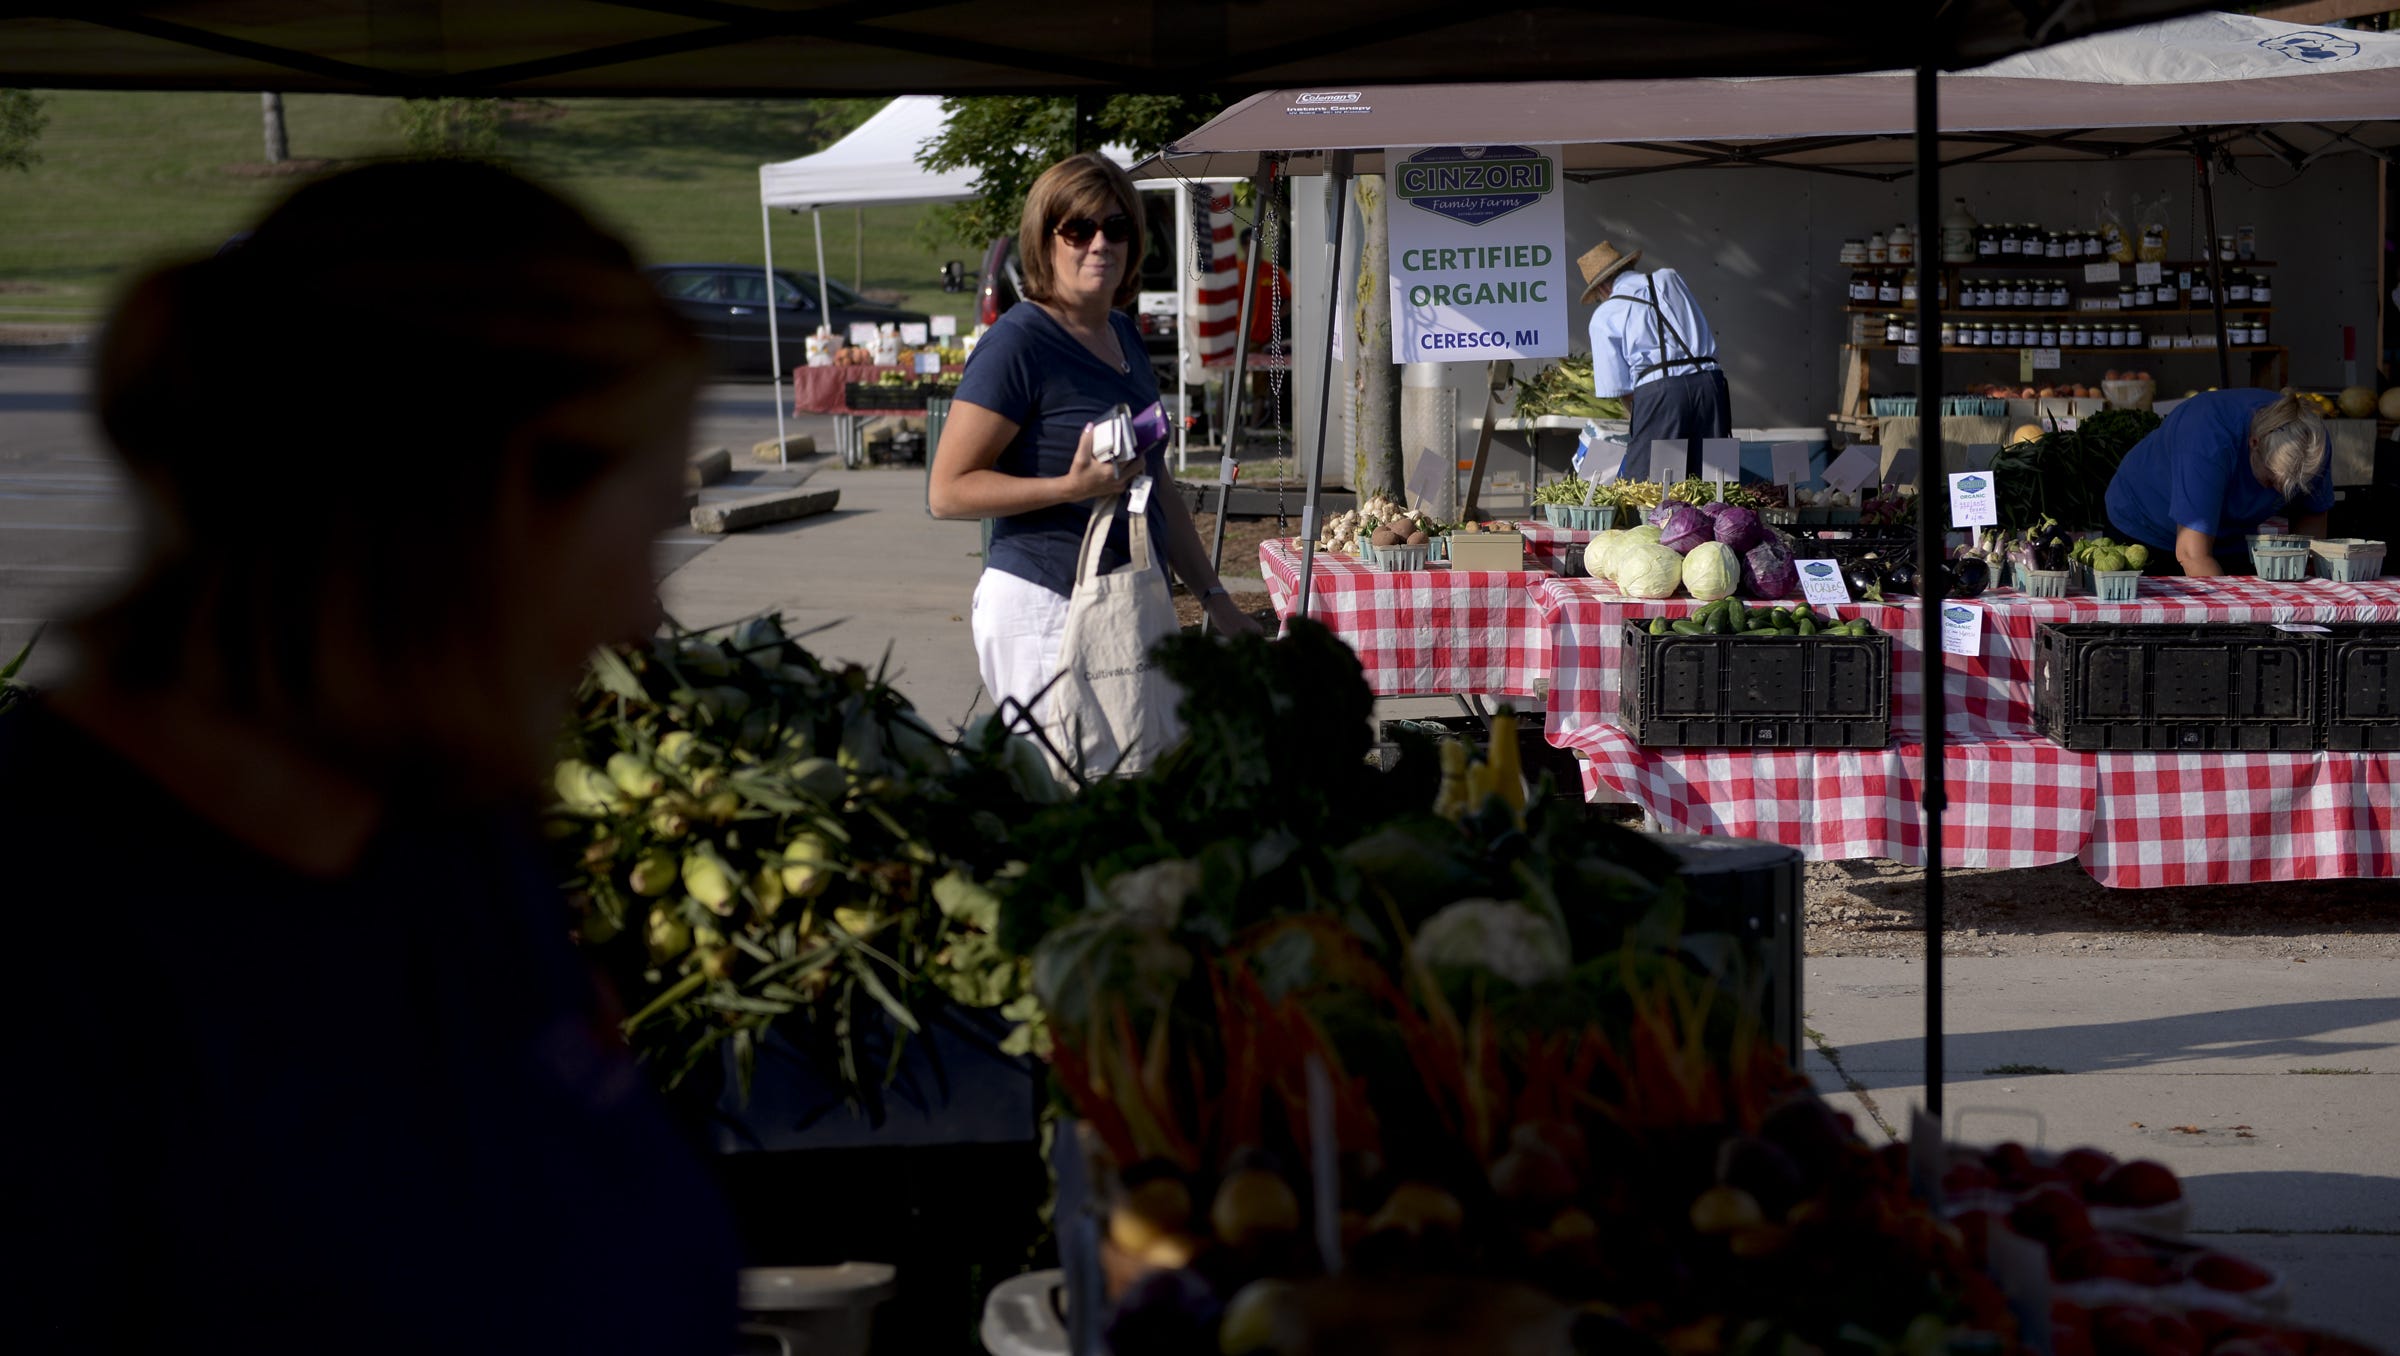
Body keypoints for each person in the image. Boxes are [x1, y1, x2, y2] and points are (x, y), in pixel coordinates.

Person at [1, 162, 739, 1353]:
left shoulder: (444, 830)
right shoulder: (54, 945)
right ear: (478, 511)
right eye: (638, 530)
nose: (641, 622)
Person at [929, 152, 1262, 724]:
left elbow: (1155, 481)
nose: (1099, 244)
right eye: (1078, 229)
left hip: (1128, 599)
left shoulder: (1123, 335)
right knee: (1064, 788)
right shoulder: (1019, 344)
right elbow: (947, 492)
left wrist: (1214, 598)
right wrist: (1070, 486)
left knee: (1131, 782)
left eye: (1116, 227)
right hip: (1045, 607)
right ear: (1045, 240)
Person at [2102, 389, 2331, 576]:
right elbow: (2193, 555)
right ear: (2254, 443)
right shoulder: (2207, 441)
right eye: (2272, 481)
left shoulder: (2311, 444)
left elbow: (2311, 522)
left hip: (2231, 538)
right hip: (2148, 524)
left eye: (2293, 489)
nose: (2280, 494)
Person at [1578, 239, 1730, 480]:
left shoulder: (1604, 315)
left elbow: (1622, 389)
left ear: (1603, 288)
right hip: (1711, 385)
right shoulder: (1669, 279)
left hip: (1661, 395)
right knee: (1717, 478)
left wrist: (1642, 424)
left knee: (1651, 486)